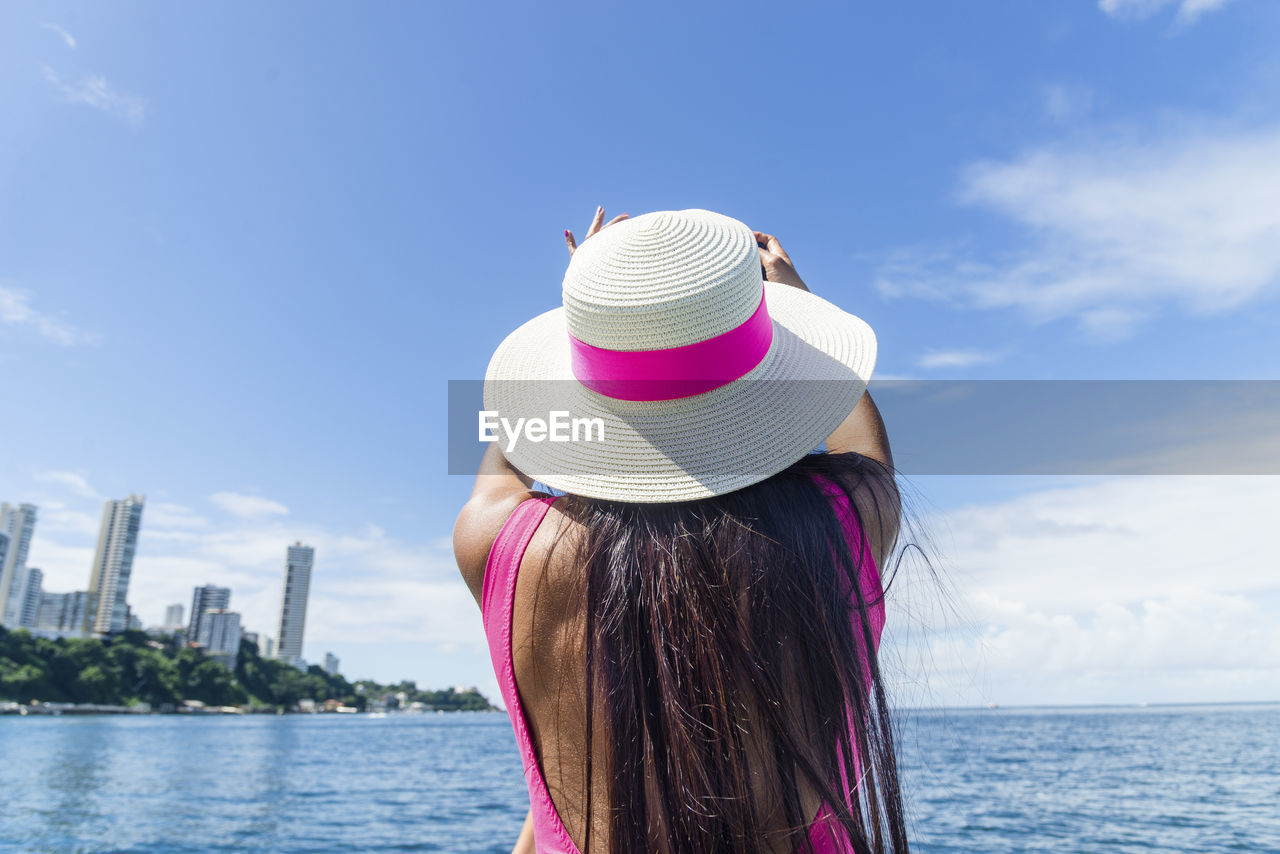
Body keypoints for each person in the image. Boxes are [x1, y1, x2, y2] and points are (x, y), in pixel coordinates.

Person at [454, 207, 908, 854]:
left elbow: (519, 439)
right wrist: (789, 297)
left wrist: (601, 312)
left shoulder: (498, 543)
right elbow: (862, 448)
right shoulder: (842, 523)